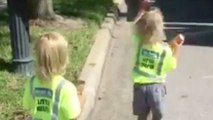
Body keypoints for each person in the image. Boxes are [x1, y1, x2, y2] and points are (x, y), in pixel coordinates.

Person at [132, 7, 184, 120]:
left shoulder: (138, 43)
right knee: (158, 115)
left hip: (139, 87)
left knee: (142, 115)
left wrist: (141, 11)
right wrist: (177, 48)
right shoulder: (164, 50)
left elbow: (134, 25)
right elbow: (173, 64)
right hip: (156, 89)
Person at [23, 32, 81, 120]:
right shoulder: (67, 88)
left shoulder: (31, 83)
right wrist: (81, 99)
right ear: (63, 59)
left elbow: (28, 104)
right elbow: (74, 116)